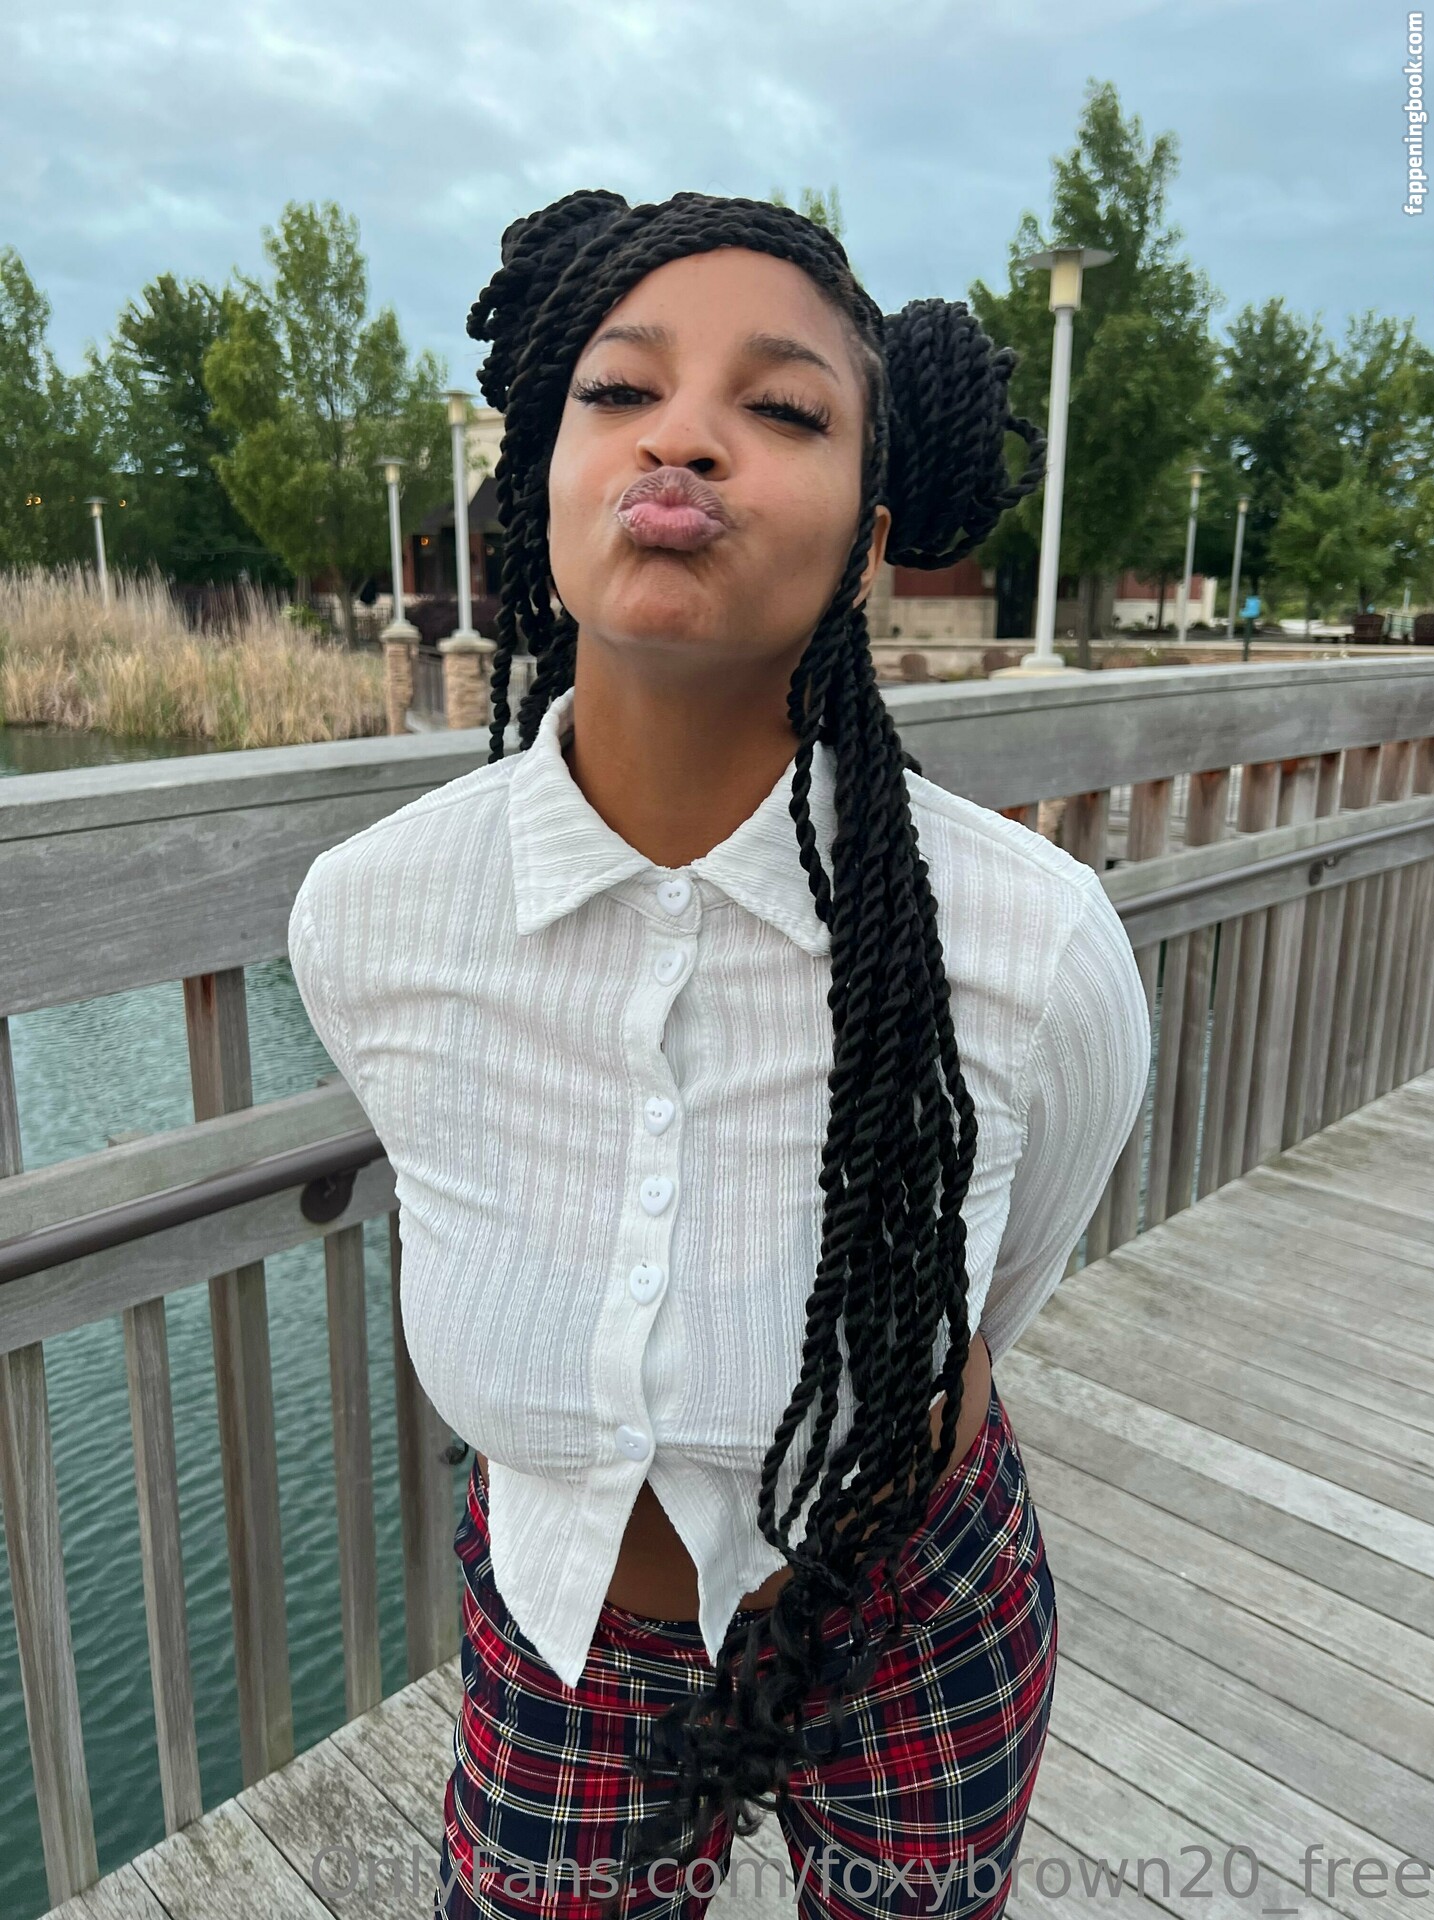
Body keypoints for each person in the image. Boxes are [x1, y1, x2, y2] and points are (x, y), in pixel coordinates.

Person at [287, 189, 1153, 1920]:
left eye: (782, 407)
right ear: (543, 476)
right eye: (620, 391)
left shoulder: (1030, 942)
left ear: (869, 533)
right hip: (564, 1620)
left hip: (910, 1602)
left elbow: (1004, 1272)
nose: (681, 436)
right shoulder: (370, 917)